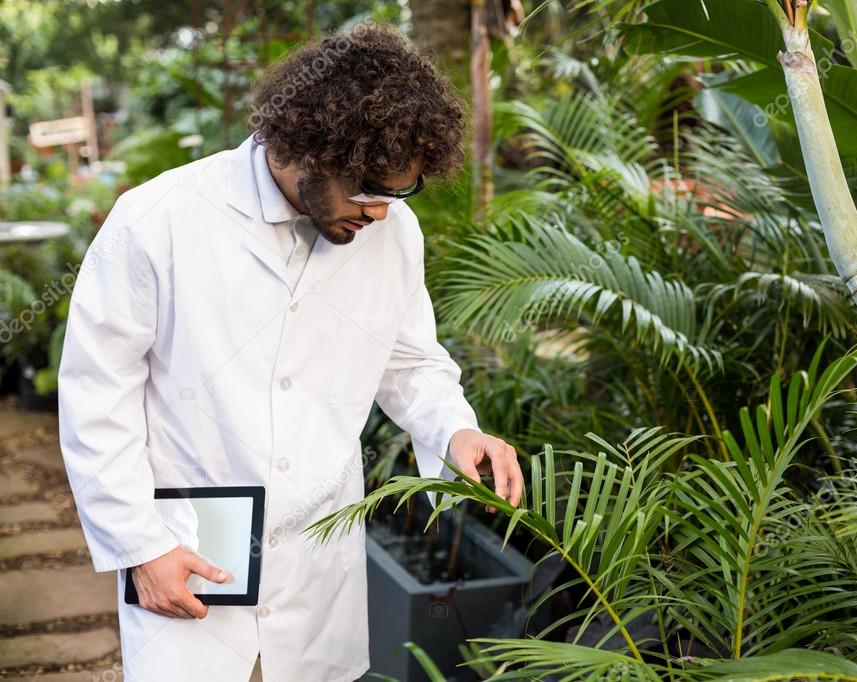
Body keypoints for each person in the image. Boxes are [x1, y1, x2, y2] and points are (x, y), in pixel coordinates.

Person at [57, 22, 524, 682]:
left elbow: (409, 359)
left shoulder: (393, 234)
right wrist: (139, 544)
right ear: (303, 146)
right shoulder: (158, 218)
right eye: (367, 193)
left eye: (398, 193)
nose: (381, 214)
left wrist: (455, 428)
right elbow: (95, 394)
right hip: (187, 546)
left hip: (315, 562)